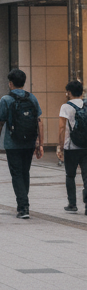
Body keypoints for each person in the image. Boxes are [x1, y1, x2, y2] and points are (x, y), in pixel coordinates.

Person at [0, 67, 44, 219]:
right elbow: (39, 121)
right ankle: (24, 203)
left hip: (12, 144)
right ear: (23, 82)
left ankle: (23, 206)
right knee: (25, 172)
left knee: (16, 174)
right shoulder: (32, 98)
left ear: (10, 83)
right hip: (29, 142)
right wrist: (40, 143)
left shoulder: (6, 99)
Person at [58, 79, 87, 214]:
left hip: (71, 146)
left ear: (69, 92)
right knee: (86, 176)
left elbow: (61, 128)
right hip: (86, 146)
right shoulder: (86, 104)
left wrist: (60, 146)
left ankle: (72, 204)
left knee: (70, 175)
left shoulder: (66, 106)